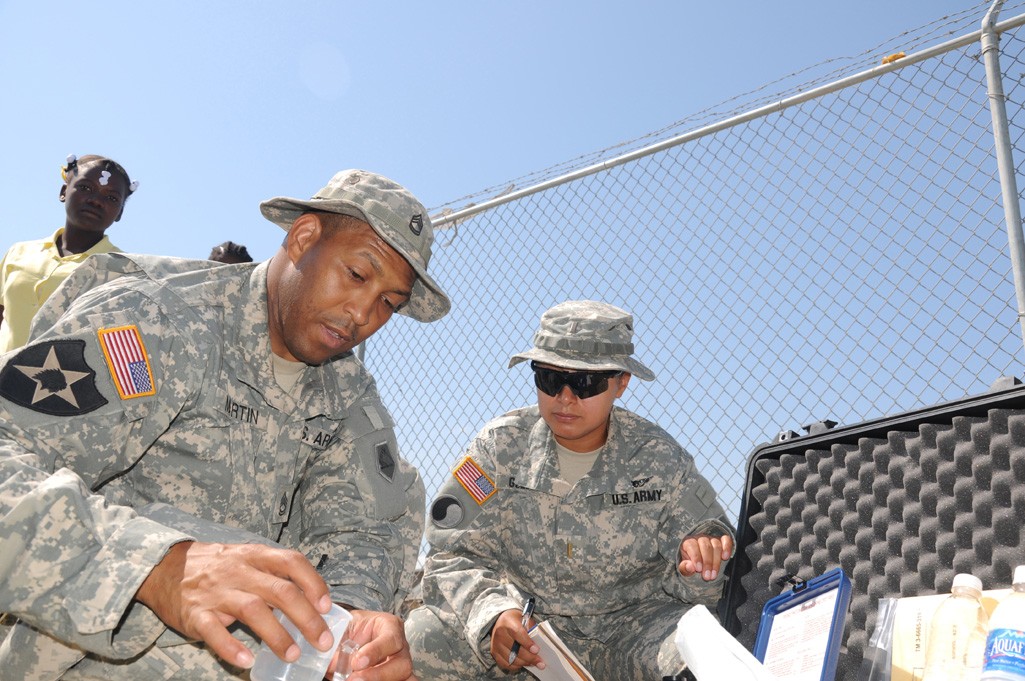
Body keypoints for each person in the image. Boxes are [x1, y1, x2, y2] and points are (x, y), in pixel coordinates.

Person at [0, 168, 450, 680]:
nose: (362, 314)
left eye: (389, 304)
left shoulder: (348, 395)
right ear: (303, 239)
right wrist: (154, 566)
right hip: (90, 648)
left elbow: (363, 531)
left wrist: (349, 626)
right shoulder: (158, 322)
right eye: (357, 275)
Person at [405, 300, 735, 681]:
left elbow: (709, 584)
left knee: (700, 660)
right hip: (529, 635)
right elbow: (451, 555)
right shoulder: (499, 448)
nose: (565, 397)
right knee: (418, 639)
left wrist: (702, 565)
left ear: (620, 384)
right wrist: (493, 615)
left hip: (631, 634)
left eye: (585, 382)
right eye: (549, 378)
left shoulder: (660, 460)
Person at [0, 153, 138, 353]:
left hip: (58, 383)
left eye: (111, 197)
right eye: (85, 188)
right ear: (64, 191)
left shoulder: (123, 271)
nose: (96, 200)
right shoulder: (20, 252)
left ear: (120, 213)